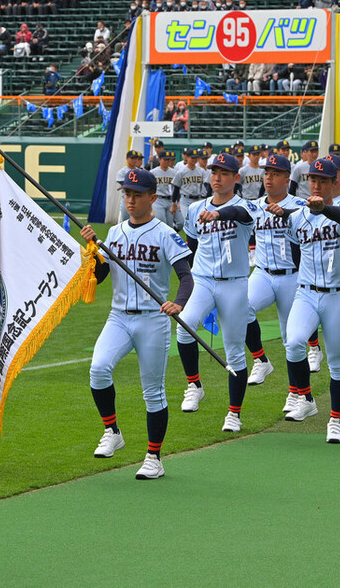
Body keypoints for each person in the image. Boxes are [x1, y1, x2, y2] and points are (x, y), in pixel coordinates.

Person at [80, 169, 193, 480]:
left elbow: (185, 276)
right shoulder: (114, 234)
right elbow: (100, 277)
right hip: (118, 316)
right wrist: (92, 252)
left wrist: (179, 303)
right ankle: (112, 431)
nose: (130, 199)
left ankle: (154, 457)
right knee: (99, 368)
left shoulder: (165, 234)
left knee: (153, 392)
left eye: (137, 194)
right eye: (126, 193)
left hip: (153, 319)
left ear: (152, 198)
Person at [275, 157, 340, 442]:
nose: (317, 184)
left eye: (324, 180)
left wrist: (327, 209)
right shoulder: (298, 216)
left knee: (337, 361)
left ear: (336, 182)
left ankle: (335, 421)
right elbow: (296, 248)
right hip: (307, 293)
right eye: (313, 179)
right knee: (294, 342)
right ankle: (306, 399)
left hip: (337, 296)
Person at [177, 153, 255, 431]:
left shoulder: (246, 206)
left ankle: (234, 413)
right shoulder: (195, 208)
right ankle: (194, 385)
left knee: (234, 350)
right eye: (214, 172)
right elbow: (191, 245)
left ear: (236, 178)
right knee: (184, 327)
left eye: (224, 173)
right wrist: (186, 284)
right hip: (203, 279)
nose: (217, 177)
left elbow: (240, 215)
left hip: (234, 283)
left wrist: (219, 213)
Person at [232, 154, 307, 402]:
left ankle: (296, 393)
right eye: (266, 173)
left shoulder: (300, 205)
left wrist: (287, 212)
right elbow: (236, 211)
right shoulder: (255, 205)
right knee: (240, 310)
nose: (269, 178)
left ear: (287, 178)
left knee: (291, 340)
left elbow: (313, 217)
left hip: (292, 277)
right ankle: (261, 360)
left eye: (275, 174)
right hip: (263, 273)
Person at [150, 149, 181, 230]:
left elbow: (177, 188)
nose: (167, 161)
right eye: (165, 159)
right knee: (161, 222)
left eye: (169, 159)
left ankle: (169, 238)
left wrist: (177, 201)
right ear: (159, 159)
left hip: (170, 200)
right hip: (158, 199)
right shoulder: (153, 172)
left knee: (170, 225)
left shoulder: (174, 172)